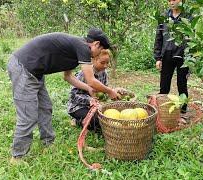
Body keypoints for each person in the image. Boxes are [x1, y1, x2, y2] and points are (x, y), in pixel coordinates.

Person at [7, 28, 120, 163]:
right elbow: (91, 79)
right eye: (100, 50)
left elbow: (68, 77)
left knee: (45, 107)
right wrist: (110, 91)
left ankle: (48, 144)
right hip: (23, 68)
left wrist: (88, 89)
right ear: (95, 44)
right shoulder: (83, 47)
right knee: (28, 115)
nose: (97, 54)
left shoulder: (75, 49)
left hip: (35, 72)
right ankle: (17, 156)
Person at [154, 0, 191, 115]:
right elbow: (158, 38)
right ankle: (163, 112)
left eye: (174, 0)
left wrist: (191, 60)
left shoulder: (189, 17)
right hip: (167, 55)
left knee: (182, 85)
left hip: (183, 56)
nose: (171, 2)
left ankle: (183, 112)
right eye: (169, 0)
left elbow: (193, 39)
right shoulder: (164, 17)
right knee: (164, 85)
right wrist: (158, 58)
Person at [67, 49, 111, 133]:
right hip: (78, 107)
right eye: (102, 63)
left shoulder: (104, 73)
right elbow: (73, 95)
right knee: (97, 122)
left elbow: (104, 92)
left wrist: (114, 92)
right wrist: (89, 100)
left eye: (107, 63)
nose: (105, 66)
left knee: (107, 119)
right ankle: (77, 121)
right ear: (93, 60)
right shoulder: (83, 74)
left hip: (94, 107)